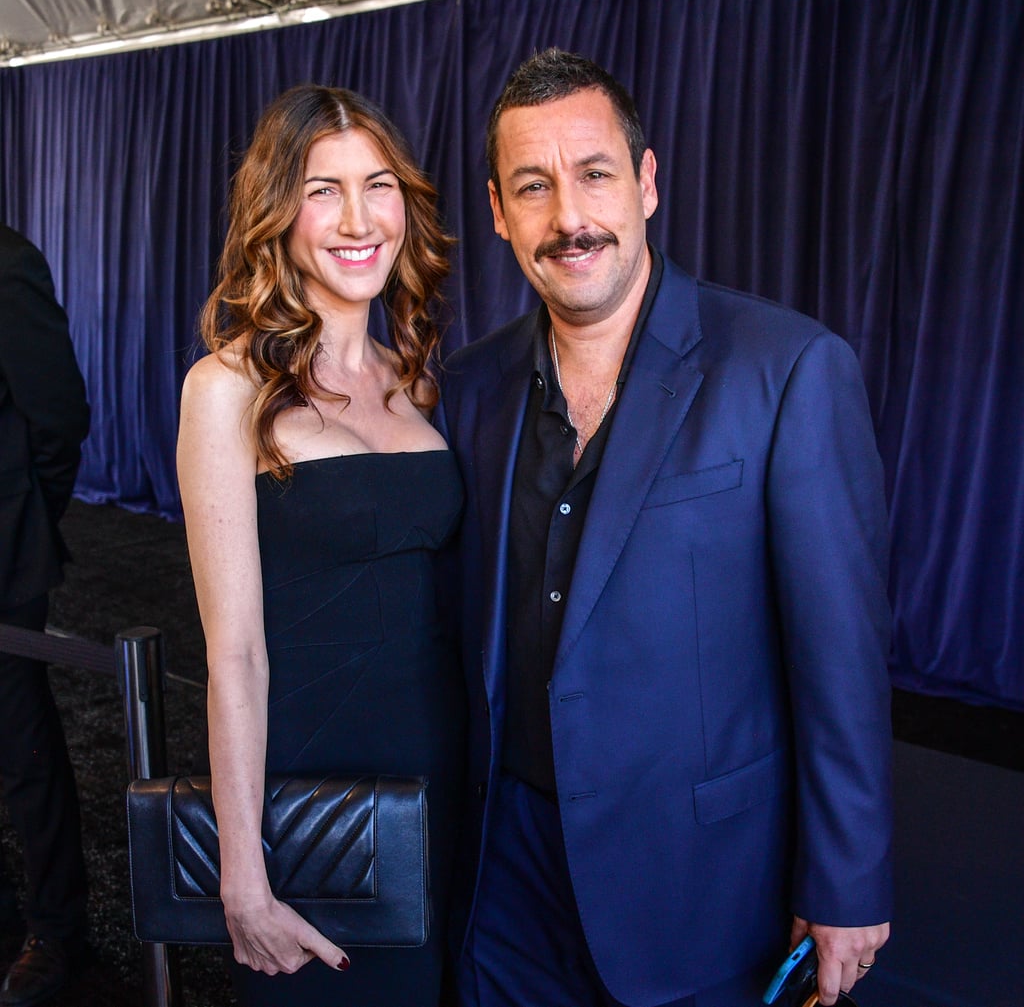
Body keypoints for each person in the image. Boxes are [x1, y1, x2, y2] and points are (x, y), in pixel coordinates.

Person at [436, 49, 893, 1007]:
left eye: (595, 173)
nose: (569, 217)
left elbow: (840, 655)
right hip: (507, 878)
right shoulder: (469, 388)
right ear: (496, 210)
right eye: (533, 186)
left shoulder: (788, 367)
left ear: (646, 183)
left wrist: (847, 878)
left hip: (702, 887)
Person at [176, 85, 464, 1006]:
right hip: (317, 811)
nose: (357, 218)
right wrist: (242, 874)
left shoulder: (418, 379)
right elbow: (236, 652)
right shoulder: (225, 390)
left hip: (447, 785)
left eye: (378, 185)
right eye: (321, 189)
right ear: (277, 213)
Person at [0, 223, 91, 1007]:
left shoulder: (5, 260)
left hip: (0, 557)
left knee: (24, 750)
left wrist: (25, 521)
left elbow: (59, 416)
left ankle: (59, 929)